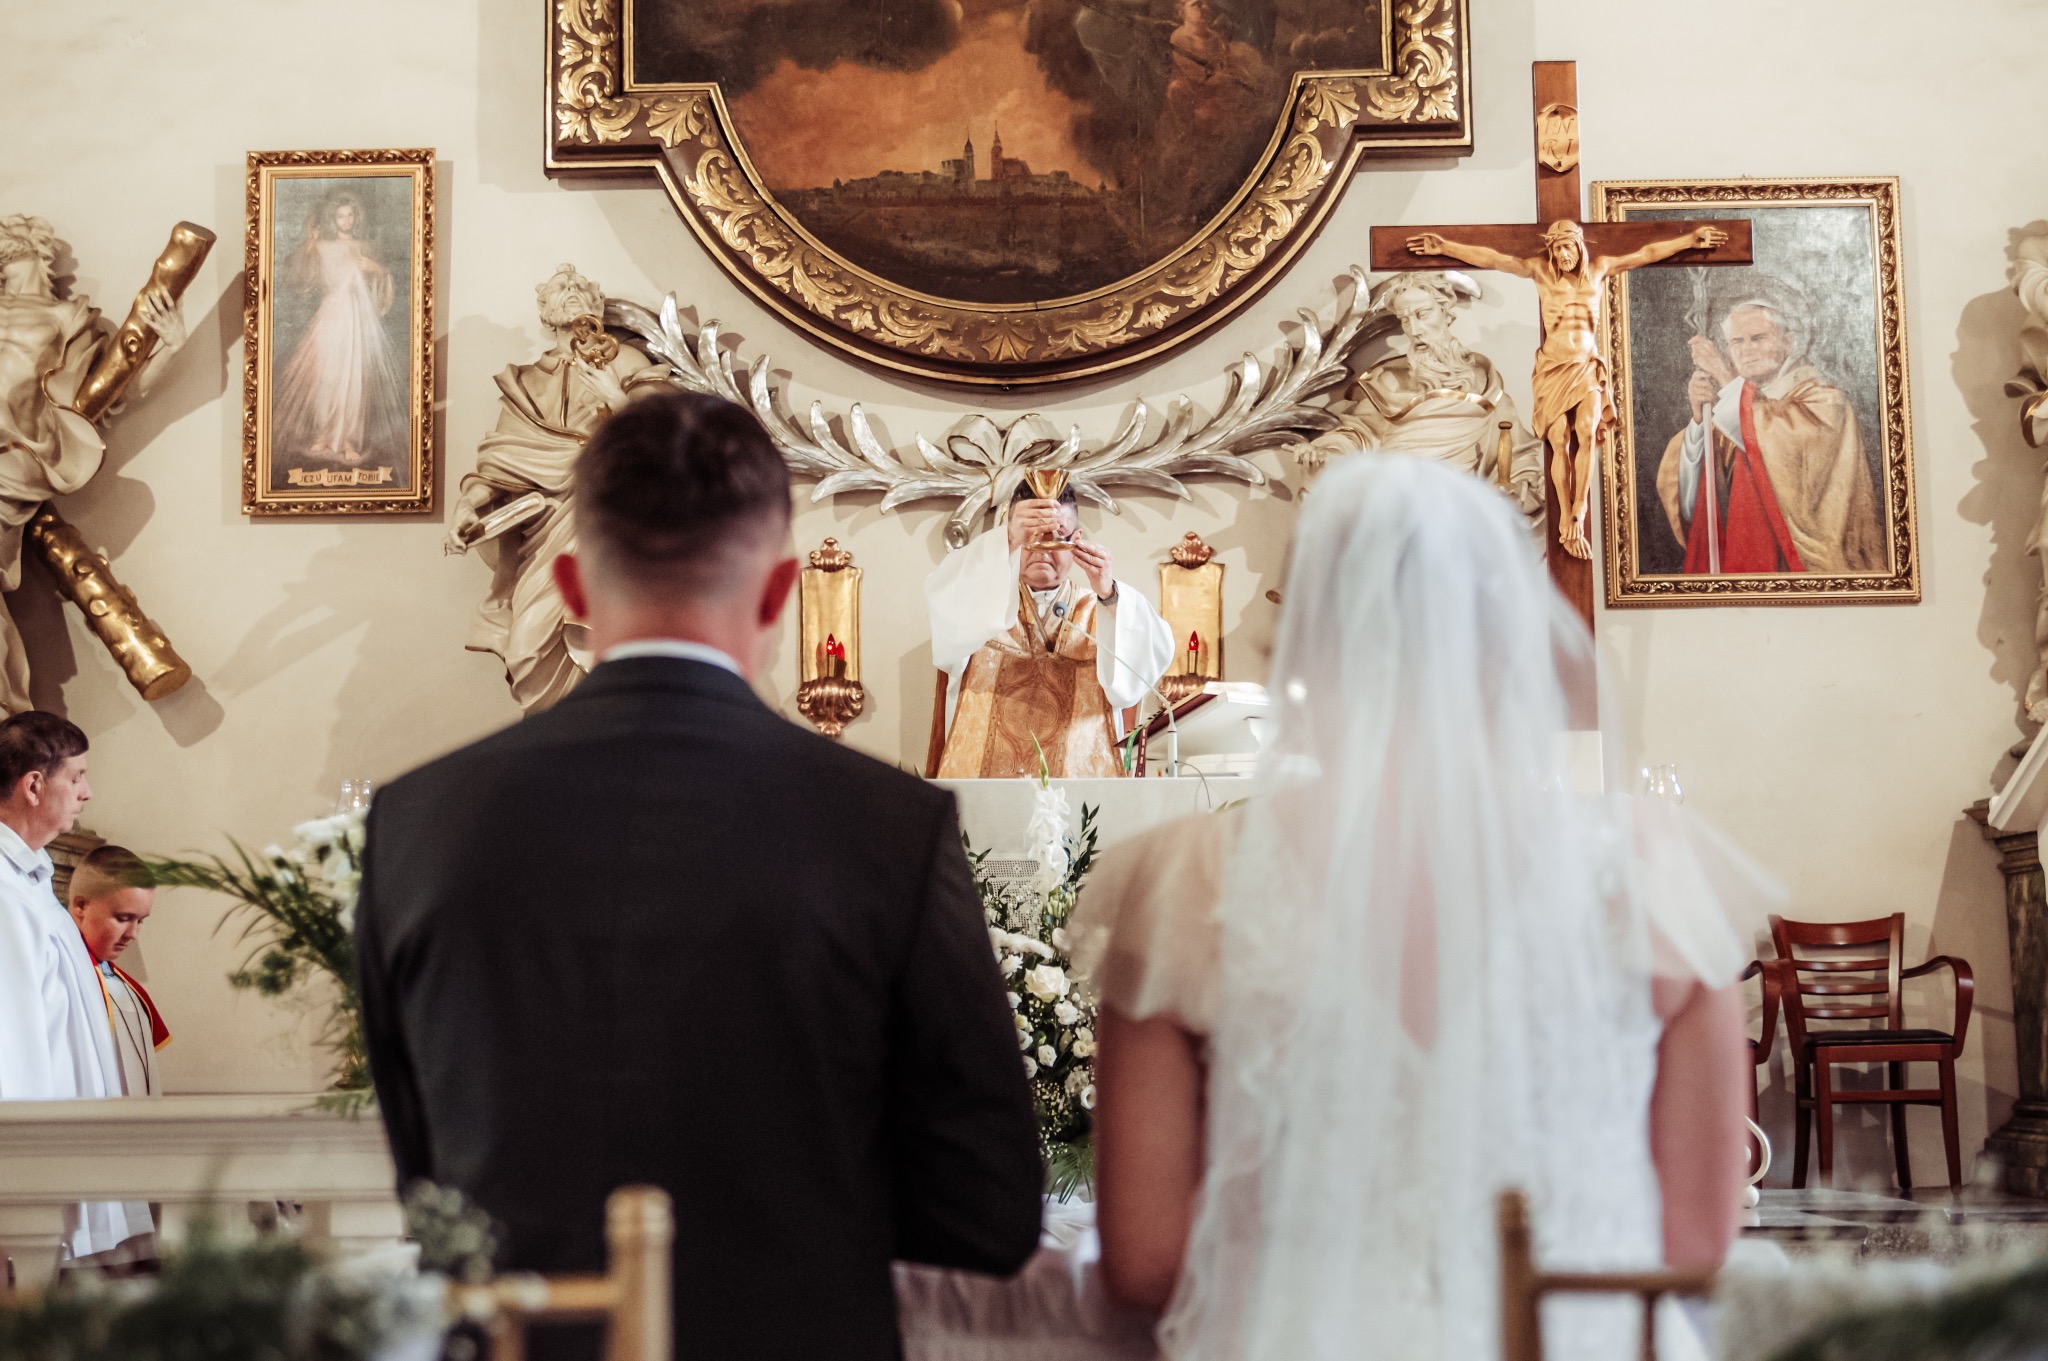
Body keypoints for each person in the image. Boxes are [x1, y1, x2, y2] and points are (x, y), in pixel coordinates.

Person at [358, 390, 1044, 1361]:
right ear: (776, 594)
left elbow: (428, 1172)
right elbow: (988, 1212)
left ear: (570, 586)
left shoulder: (417, 821)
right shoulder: (887, 825)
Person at [1072, 455, 1773, 1361]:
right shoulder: (1648, 871)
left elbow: (1145, 1258)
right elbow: (1694, 1243)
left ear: (1310, 647)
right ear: (1512, 641)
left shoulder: (1186, 880)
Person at [1406, 219, 1729, 558]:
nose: (1562, 254)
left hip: (1586, 365)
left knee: (1587, 433)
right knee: (1559, 440)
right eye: (1556, 248)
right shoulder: (1540, 273)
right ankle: (1565, 519)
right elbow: (1494, 259)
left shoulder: (1600, 269)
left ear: (1579, 246)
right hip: (1553, 367)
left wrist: (1690, 240)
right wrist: (1445, 248)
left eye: (1567, 247)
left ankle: (1579, 510)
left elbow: (1646, 252)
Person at [447, 264, 671, 713]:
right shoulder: (526, 382)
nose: (570, 291)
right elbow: (500, 463)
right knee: (527, 646)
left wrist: (616, 398)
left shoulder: (628, 363)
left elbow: (664, 442)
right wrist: (468, 506)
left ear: (596, 306)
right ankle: (552, 751)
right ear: (546, 313)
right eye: (560, 288)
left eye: (578, 287)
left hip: (606, 523)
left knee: (603, 644)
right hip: (541, 536)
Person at [0, 214, 186, 712]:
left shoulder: (68, 318)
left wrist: (170, 346)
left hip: (11, 469)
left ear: (33, 246)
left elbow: (113, 390)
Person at [0, 712, 154, 1270]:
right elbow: (10, 1049)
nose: (87, 793)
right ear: (35, 784)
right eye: (78, 777)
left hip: (67, 1162)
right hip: (29, 1178)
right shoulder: (4, 893)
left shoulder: (32, 880)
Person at [927, 490, 1174, 778]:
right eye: (1030, 536)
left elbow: (1148, 660)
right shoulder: (980, 608)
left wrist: (1109, 594)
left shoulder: (1106, 612)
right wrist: (1005, 538)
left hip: (1080, 805)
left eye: (1057, 536)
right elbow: (942, 597)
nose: (1042, 549)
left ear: (1077, 542)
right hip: (986, 796)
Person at [1656, 288, 1884, 574]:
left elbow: (1786, 459)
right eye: (1736, 342)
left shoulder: (1824, 401)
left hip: (1802, 570)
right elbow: (1694, 505)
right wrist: (1700, 421)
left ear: (1787, 342)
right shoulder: (1731, 408)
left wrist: (1726, 379)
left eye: (1757, 338)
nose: (1746, 350)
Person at [1303, 271, 1545, 527]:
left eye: (1422, 314)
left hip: (1459, 516)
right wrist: (1324, 454)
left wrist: (1516, 490)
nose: (1415, 330)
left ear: (1445, 311)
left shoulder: (1490, 393)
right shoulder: (1388, 383)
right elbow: (1358, 436)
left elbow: (1517, 461)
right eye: (1405, 321)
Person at [271, 190, 406, 468]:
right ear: (334, 218)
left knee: (355, 379)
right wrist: (310, 242)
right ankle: (324, 432)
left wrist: (376, 268)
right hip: (331, 317)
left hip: (358, 320)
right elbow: (300, 273)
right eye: (340, 216)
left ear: (356, 217)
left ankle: (349, 440)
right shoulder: (322, 246)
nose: (346, 220)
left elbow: (383, 282)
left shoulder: (365, 247)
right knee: (327, 377)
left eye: (350, 215)